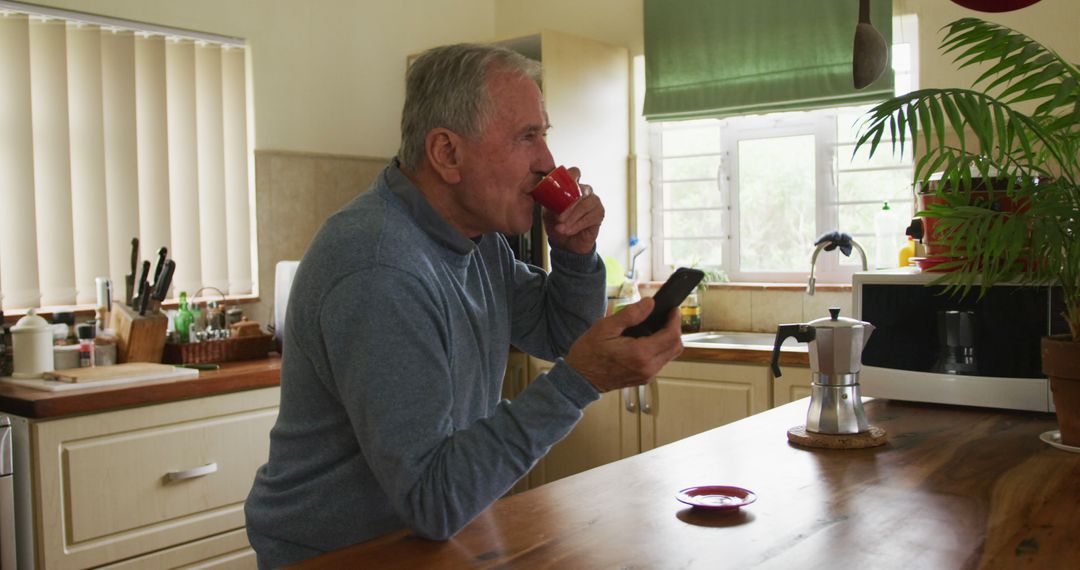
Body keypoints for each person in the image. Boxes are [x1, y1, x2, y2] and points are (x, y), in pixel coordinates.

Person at [244, 42, 684, 568]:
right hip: (341, 555)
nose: (547, 161)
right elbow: (432, 497)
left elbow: (559, 335)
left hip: (426, 537)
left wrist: (574, 257)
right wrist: (580, 381)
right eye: (526, 137)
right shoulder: (380, 268)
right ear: (447, 153)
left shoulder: (477, 240)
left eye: (544, 134)